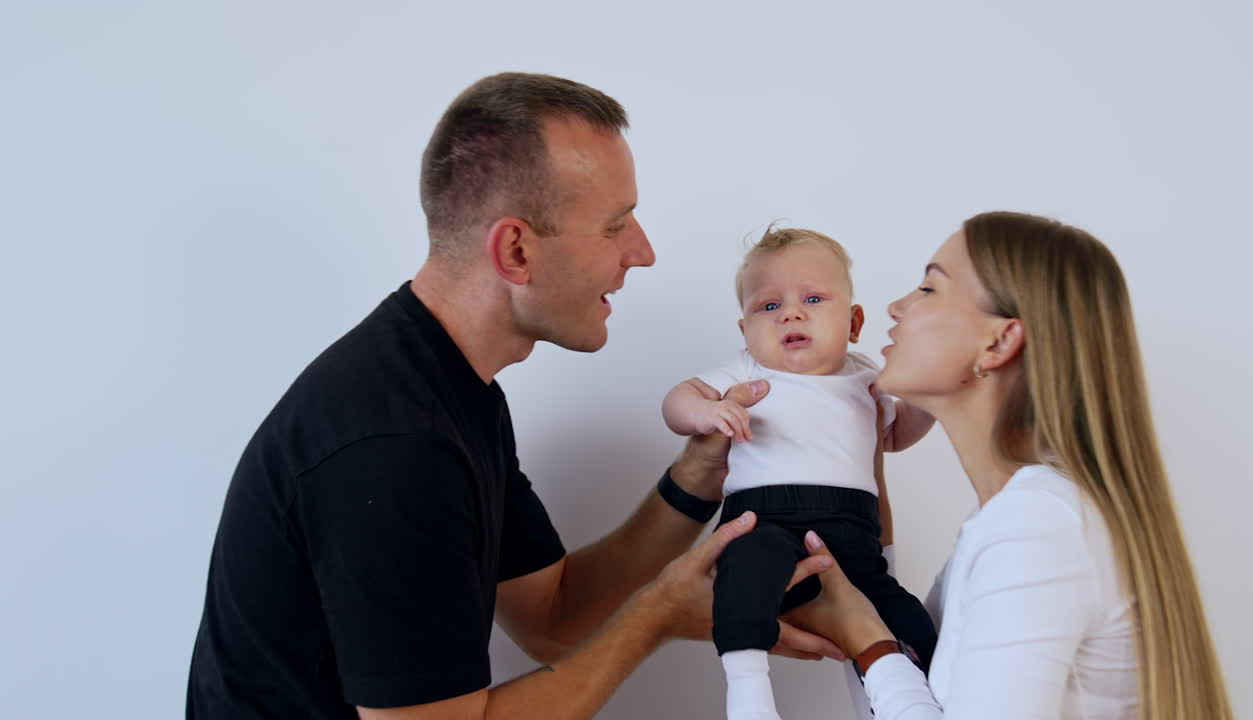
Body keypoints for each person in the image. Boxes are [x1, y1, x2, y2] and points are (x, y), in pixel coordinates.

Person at [186, 72, 841, 720]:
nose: (642, 253)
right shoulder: (393, 445)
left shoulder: (450, 387)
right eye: (617, 225)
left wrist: (697, 475)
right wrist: (656, 617)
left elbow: (554, 616)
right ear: (517, 251)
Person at [782, 211, 1234, 719]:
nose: (896, 307)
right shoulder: (1011, 522)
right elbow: (907, 696)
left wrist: (866, 639)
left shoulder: (1037, 527)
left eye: (929, 289)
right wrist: (860, 475)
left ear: (999, 342)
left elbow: (880, 650)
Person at [661, 227, 937, 720]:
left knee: (907, 619)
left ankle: (923, 693)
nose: (790, 312)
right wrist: (707, 413)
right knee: (744, 577)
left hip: (855, 531)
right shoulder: (746, 371)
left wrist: (930, 402)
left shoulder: (864, 375)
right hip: (765, 519)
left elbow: (894, 436)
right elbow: (678, 399)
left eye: (813, 299)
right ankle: (748, 693)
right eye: (768, 306)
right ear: (745, 330)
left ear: (853, 322)